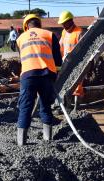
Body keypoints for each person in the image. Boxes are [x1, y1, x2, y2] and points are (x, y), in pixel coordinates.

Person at [16, 14, 62, 146]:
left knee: (25, 107)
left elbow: (22, 59)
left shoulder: (20, 38)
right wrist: (55, 75)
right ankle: (48, 139)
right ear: (39, 24)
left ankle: (21, 143)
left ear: (26, 27)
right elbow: (58, 60)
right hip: (47, 75)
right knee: (46, 106)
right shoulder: (49, 35)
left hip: (28, 76)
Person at [58, 11, 84, 110]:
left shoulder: (79, 32)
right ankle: (67, 106)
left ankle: (76, 108)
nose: (63, 25)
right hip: (65, 63)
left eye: (65, 22)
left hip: (76, 64)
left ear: (70, 21)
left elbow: (83, 49)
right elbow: (61, 46)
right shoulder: (64, 32)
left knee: (77, 85)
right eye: (62, 23)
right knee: (65, 84)